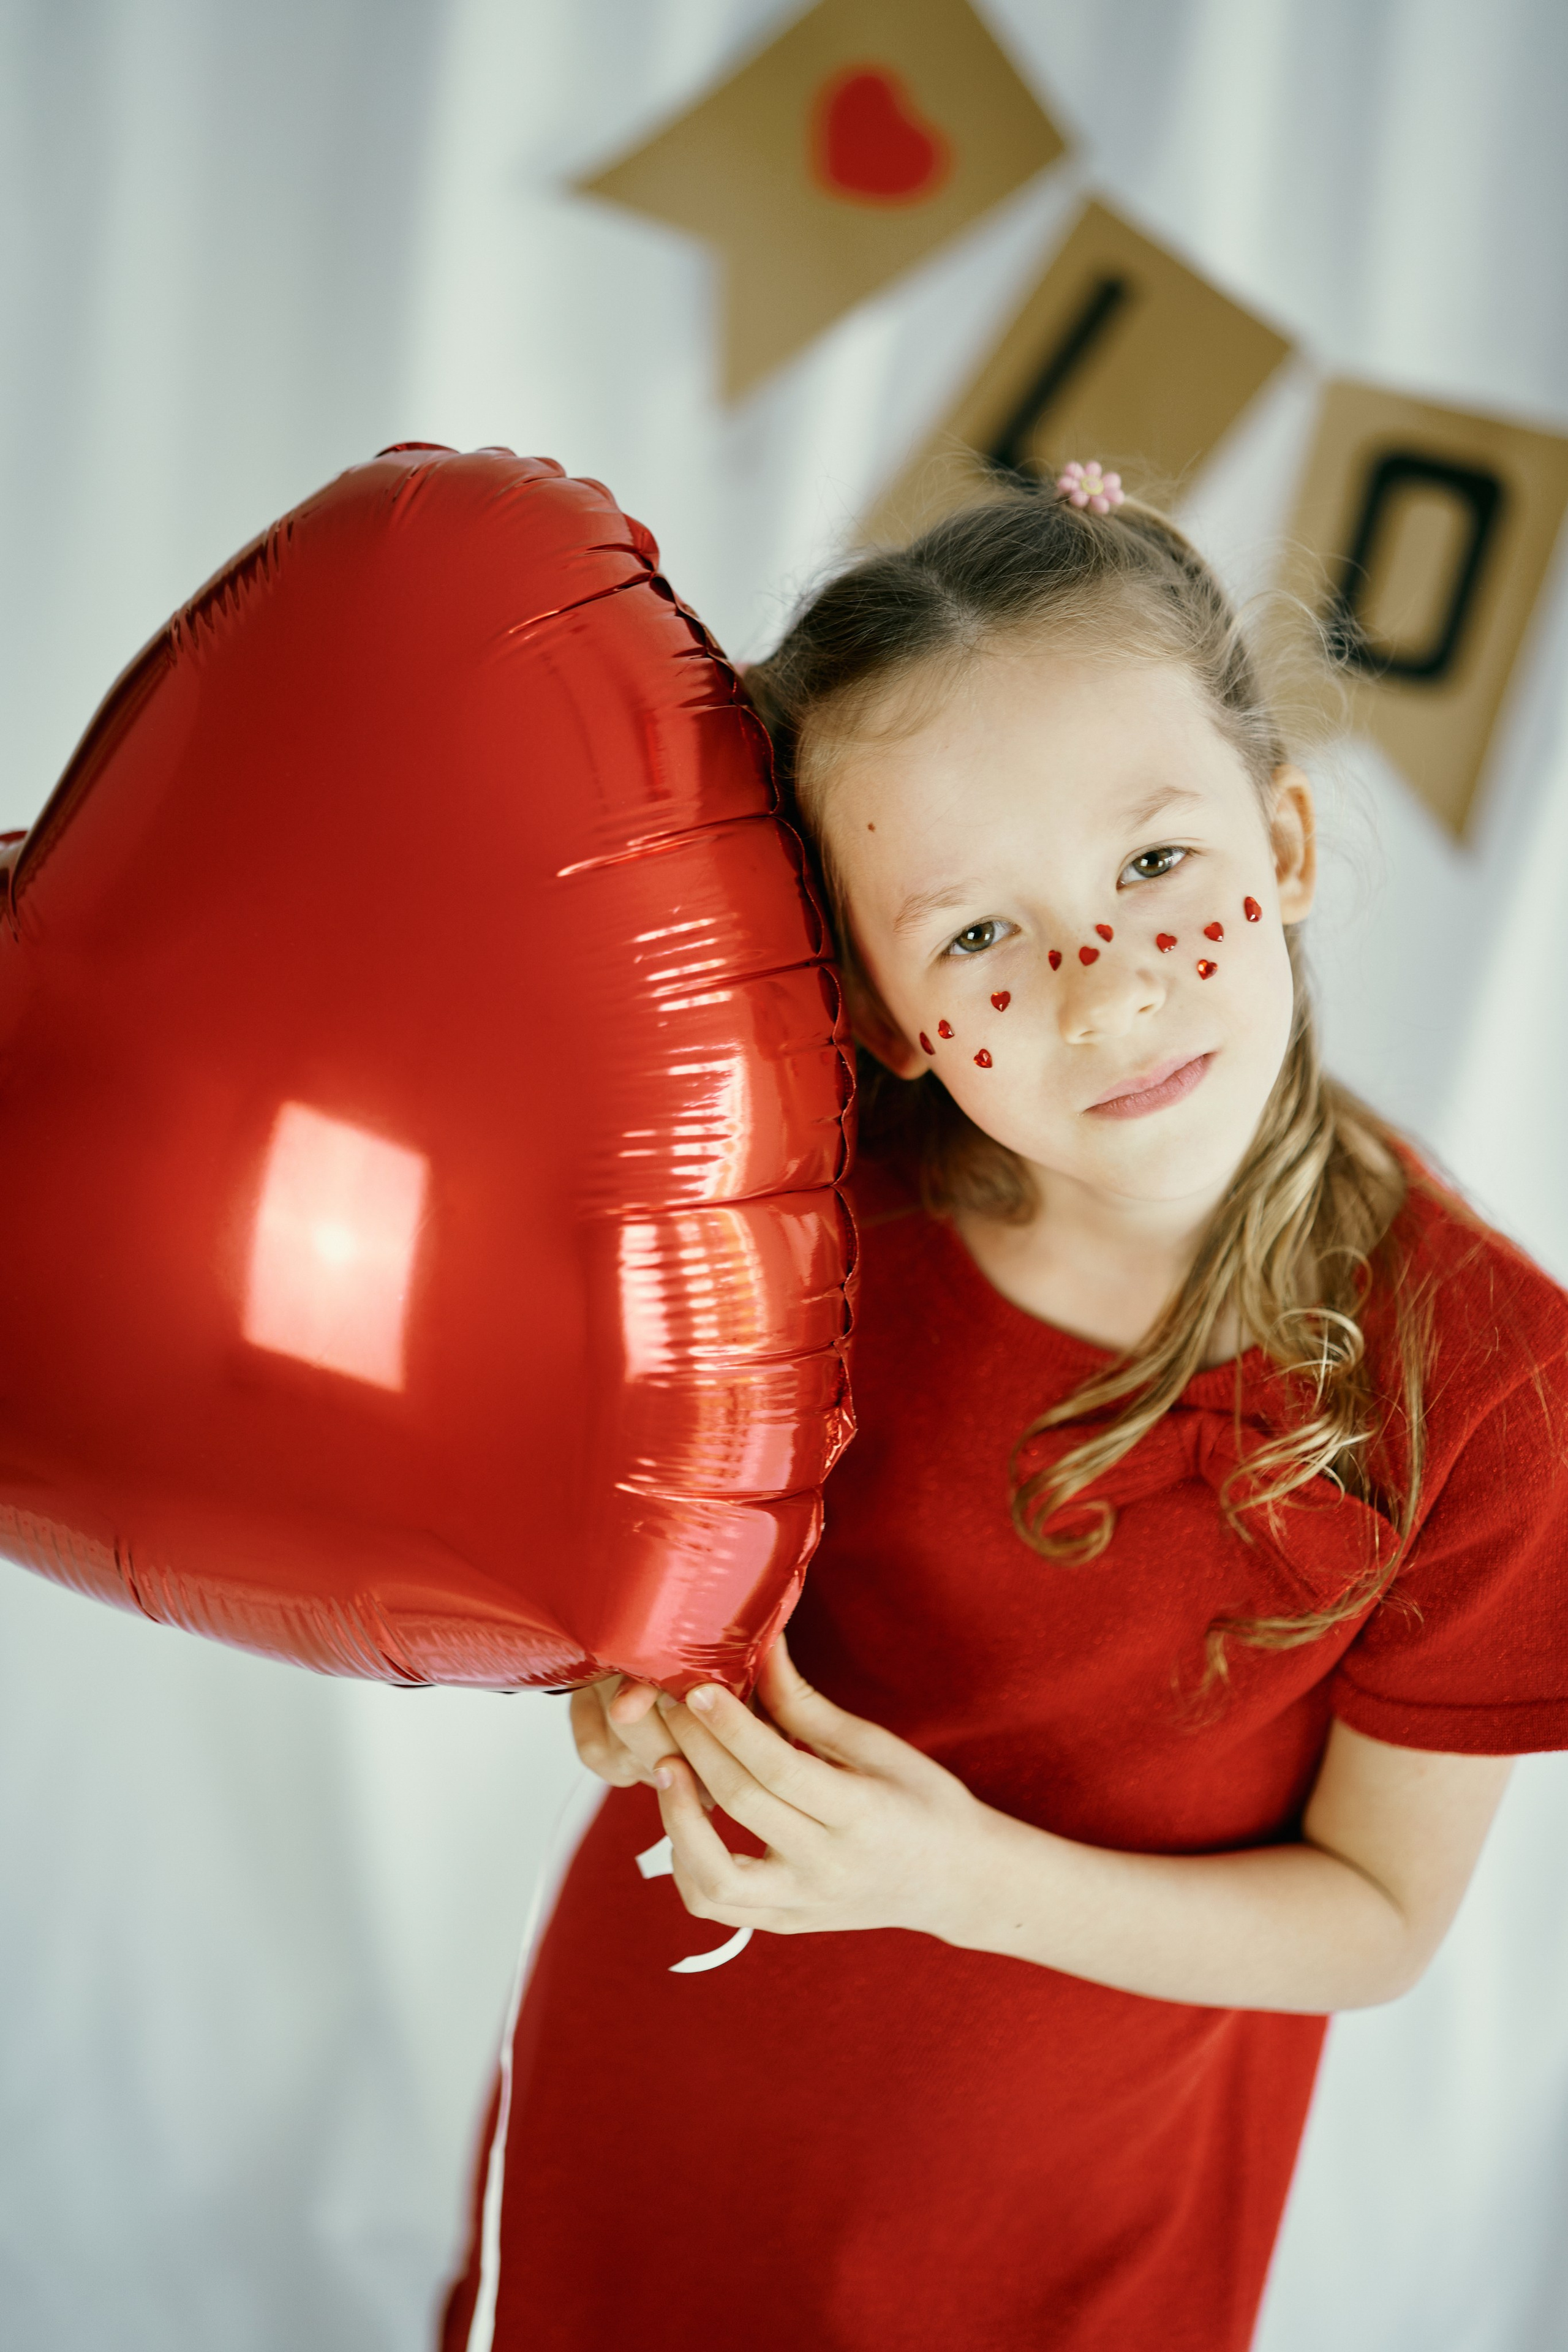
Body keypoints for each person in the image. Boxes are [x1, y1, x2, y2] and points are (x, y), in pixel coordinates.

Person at [440, 470, 1568, 2352]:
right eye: (974, 937)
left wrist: (953, 1880)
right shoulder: (794, 1236)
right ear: (879, 1009)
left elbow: (1376, 1919)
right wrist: (636, 1686)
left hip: (1065, 2237)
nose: (1102, 989)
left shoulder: (1489, 1388)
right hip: (666, 2108)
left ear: (1282, 842)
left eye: (1150, 868)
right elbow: (649, 1602)